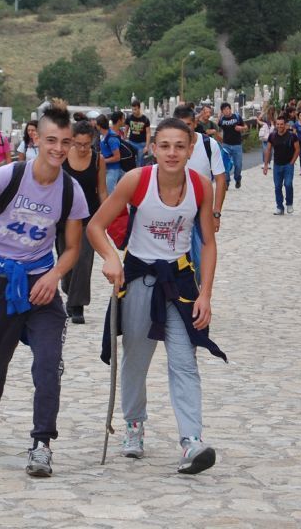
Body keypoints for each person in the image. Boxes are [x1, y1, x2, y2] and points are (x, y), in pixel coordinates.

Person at [0, 101, 88, 478]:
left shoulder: (71, 192)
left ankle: (42, 444)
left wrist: (53, 276)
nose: (59, 149)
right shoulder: (10, 176)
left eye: (66, 142)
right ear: (37, 139)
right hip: (2, 282)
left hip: (41, 285)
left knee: (47, 365)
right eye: (51, 140)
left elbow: (73, 248)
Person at [87, 117, 225, 475]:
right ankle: (133, 424)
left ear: (191, 149)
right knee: (136, 358)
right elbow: (95, 226)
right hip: (139, 278)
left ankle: (192, 441)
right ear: (153, 147)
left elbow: (208, 242)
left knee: (184, 360)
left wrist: (205, 294)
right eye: (164, 145)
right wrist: (110, 258)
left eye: (180, 146)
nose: (172, 153)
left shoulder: (200, 186)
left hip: (179, 282)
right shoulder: (137, 181)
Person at [57, 120, 107, 324]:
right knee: (66, 260)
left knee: (84, 261)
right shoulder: (62, 158)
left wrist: (106, 217)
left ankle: (76, 305)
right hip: (64, 218)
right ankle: (68, 286)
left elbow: (102, 190)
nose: (82, 148)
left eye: (86, 144)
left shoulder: (98, 160)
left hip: (89, 217)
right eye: (78, 144)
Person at [174, 105, 225, 281]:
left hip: (200, 211)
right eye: (180, 125)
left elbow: (220, 179)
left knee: (200, 260)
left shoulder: (209, 145)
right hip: (174, 210)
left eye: (188, 124)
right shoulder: (171, 148)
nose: (184, 129)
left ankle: (196, 295)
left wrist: (216, 213)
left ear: (195, 124)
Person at [263, 114, 299, 215]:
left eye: (282, 124)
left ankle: (289, 203)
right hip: (277, 165)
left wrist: (292, 162)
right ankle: (279, 207)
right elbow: (268, 150)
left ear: (286, 125)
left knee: (288, 184)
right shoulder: (272, 136)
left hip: (288, 164)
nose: (279, 126)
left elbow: (297, 149)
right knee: (277, 186)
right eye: (278, 124)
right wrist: (266, 164)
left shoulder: (292, 136)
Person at [217, 103, 247, 190]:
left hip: (237, 145)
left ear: (230, 109)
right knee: (225, 165)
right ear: (222, 111)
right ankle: (226, 182)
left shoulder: (237, 117)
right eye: (224, 110)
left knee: (238, 165)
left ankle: (238, 178)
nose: (226, 111)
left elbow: (246, 126)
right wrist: (219, 116)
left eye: (227, 109)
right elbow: (217, 126)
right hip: (226, 145)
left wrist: (241, 128)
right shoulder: (222, 120)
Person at [96, 114, 124, 194]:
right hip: (106, 169)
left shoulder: (111, 139)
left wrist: (102, 160)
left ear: (99, 126)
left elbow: (117, 157)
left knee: (110, 193)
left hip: (113, 170)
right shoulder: (104, 135)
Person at [124, 100, 151, 167]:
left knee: (140, 162)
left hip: (142, 144)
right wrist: (125, 140)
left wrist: (147, 146)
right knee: (130, 160)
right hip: (131, 142)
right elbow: (126, 129)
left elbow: (148, 133)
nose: (133, 111)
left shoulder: (145, 119)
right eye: (132, 109)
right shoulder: (129, 118)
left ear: (139, 108)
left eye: (135, 109)